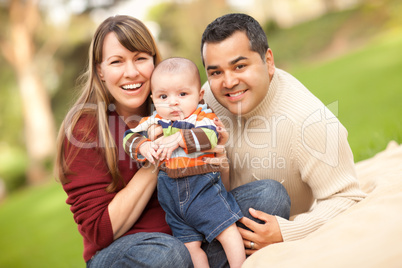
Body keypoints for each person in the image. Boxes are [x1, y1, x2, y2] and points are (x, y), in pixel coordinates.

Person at [55, 14, 290, 268]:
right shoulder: (84, 130)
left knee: (269, 196)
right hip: (132, 253)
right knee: (169, 254)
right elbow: (100, 232)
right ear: (100, 70)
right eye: (116, 62)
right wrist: (159, 155)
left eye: (140, 59)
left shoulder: (176, 105)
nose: (131, 72)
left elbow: (214, 190)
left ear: (154, 63)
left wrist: (218, 159)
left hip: (189, 233)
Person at [200, 13, 367, 255]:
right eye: (215, 72)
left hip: (254, 222)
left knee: (270, 195)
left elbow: (348, 198)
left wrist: (288, 231)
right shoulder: (206, 100)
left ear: (268, 61)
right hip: (208, 220)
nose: (228, 82)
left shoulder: (310, 122)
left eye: (240, 66)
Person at [123, 57, 245, 268]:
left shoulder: (201, 117)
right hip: (172, 201)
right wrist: (142, 145)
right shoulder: (153, 121)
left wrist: (181, 138)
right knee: (189, 248)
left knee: (227, 230)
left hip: (203, 191)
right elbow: (128, 137)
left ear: (199, 96)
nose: (173, 102)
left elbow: (211, 136)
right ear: (153, 99)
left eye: (182, 94)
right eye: (163, 96)